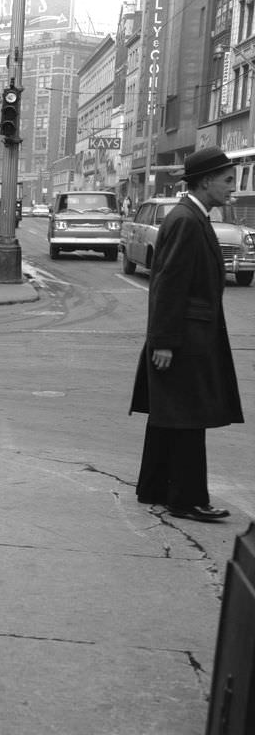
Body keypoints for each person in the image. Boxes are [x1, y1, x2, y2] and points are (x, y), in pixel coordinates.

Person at [129, 146, 244, 522]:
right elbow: (168, 284)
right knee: (188, 417)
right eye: (228, 181)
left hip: (187, 334)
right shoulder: (187, 220)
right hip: (185, 338)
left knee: (171, 413)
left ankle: (154, 487)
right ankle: (187, 499)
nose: (233, 189)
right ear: (206, 180)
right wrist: (163, 341)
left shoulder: (191, 217)